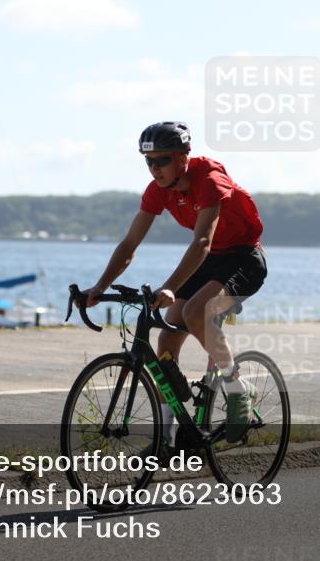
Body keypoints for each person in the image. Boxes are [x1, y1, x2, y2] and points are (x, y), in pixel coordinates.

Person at [81, 121, 266, 444]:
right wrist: (99, 286)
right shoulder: (158, 192)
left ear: (183, 157)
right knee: (166, 338)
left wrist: (168, 286)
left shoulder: (208, 177)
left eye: (162, 160)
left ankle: (238, 390)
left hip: (242, 257)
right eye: (148, 161)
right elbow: (129, 245)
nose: (155, 169)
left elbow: (201, 243)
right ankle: (164, 440)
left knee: (196, 312)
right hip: (208, 262)